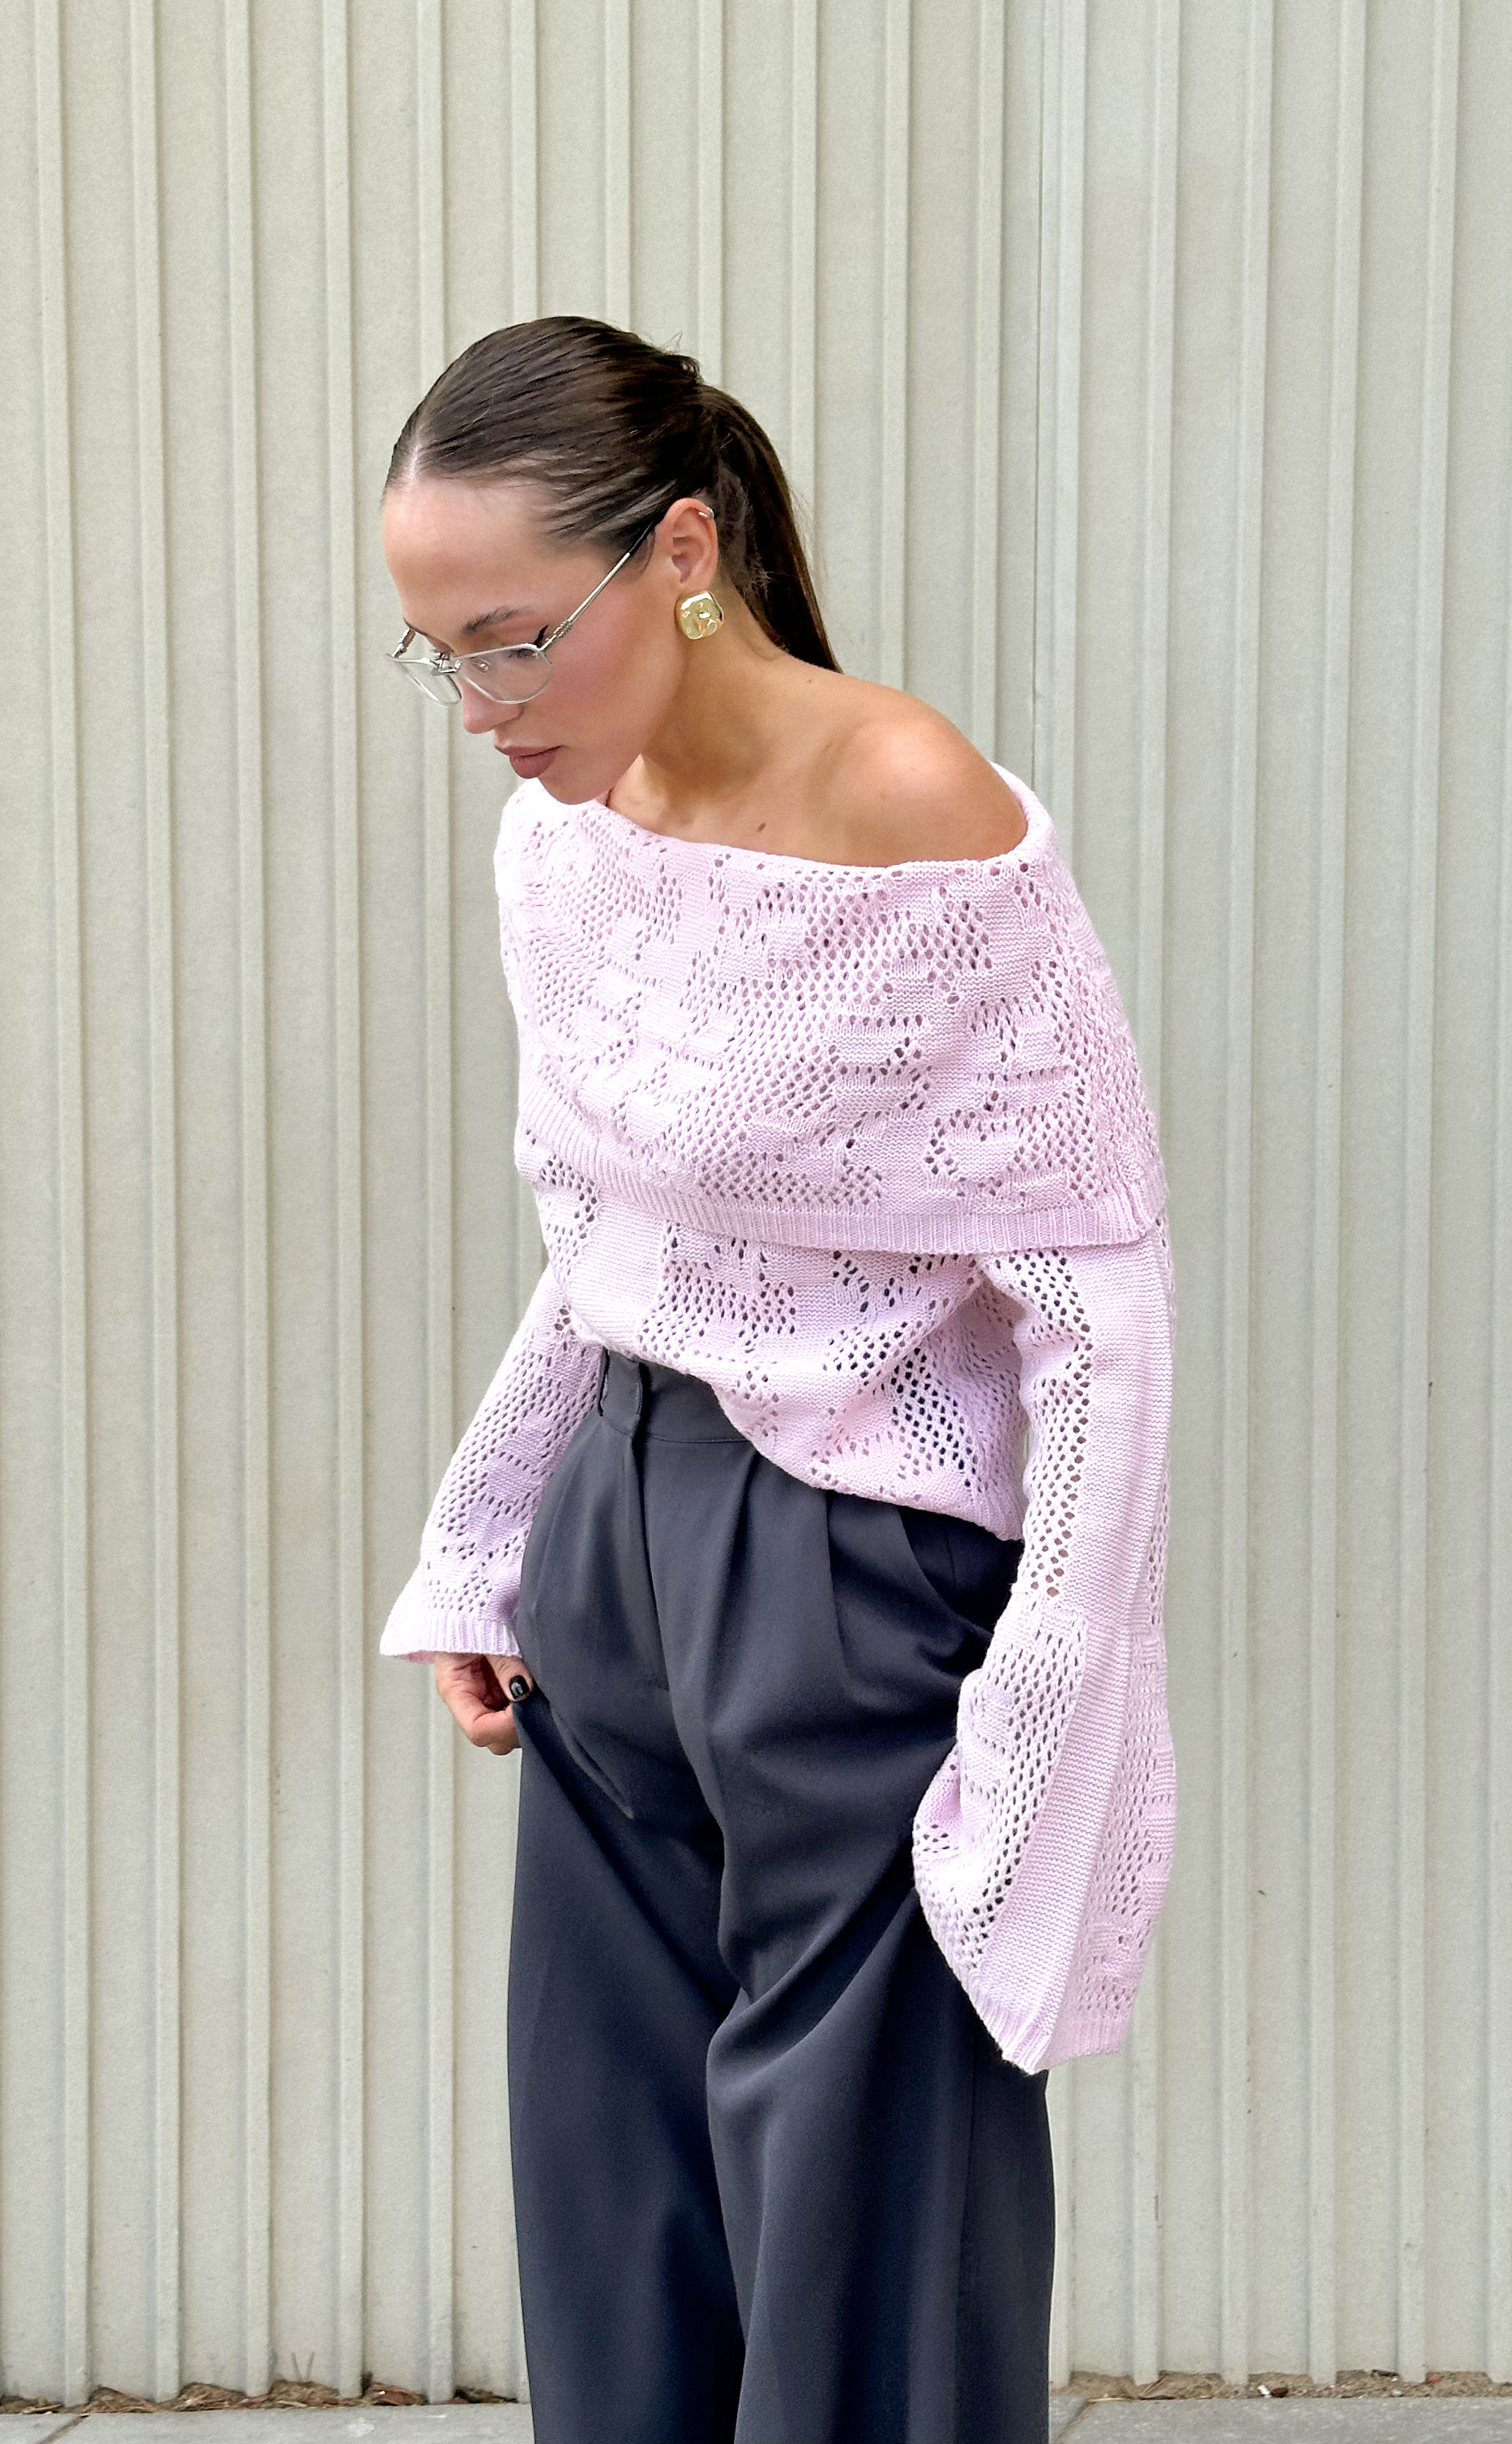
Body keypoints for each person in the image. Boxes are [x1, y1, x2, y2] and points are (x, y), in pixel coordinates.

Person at [377, 315, 1175, 2444]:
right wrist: (488, 1539)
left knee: (869, 2237)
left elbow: (1097, 1300)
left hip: (849, 1572)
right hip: (615, 1550)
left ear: (682, 552)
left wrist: (1044, 1712)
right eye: (440, 657)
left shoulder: (912, 802)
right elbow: (609, 1246)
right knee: (616, 2193)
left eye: (515, 639)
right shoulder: (561, 836)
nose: (485, 707)